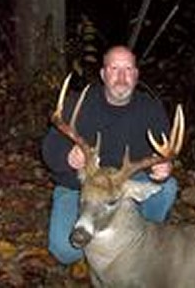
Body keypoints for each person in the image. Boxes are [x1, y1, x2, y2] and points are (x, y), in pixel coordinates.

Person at [41, 45, 179, 265]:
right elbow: (49, 148)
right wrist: (67, 156)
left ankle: (141, 244)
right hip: (81, 188)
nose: (122, 77)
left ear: (136, 75)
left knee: (167, 187)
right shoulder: (78, 103)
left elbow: (164, 152)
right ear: (103, 74)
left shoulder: (151, 108)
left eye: (128, 69)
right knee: (65, 251)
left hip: (123, 186)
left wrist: (163, 168)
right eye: (114, 69)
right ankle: (108, 239)